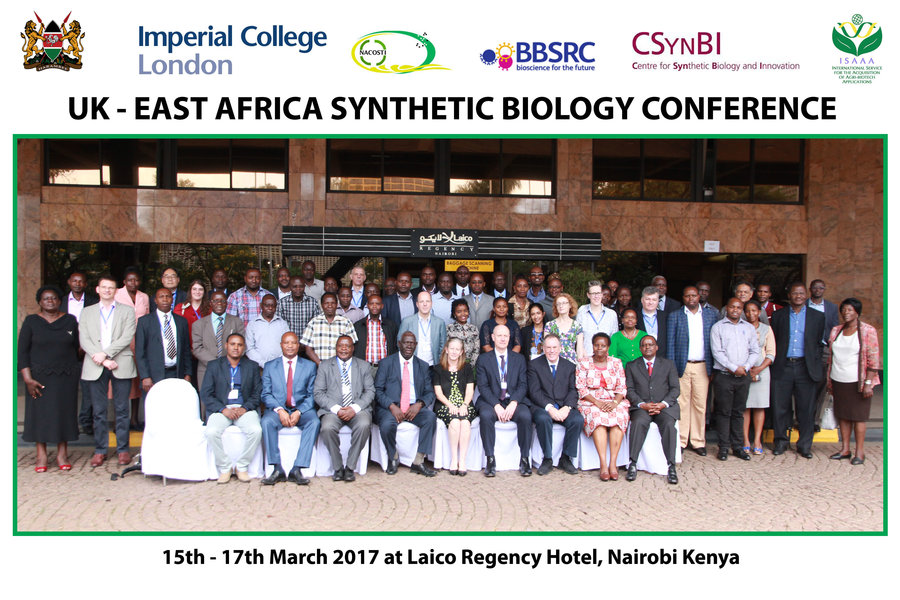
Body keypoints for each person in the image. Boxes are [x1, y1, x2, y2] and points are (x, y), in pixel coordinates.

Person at [18, 285, 80, 472]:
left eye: (54, 298)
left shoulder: (70, 320)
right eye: (46, 298)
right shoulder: (31, 321)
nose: (50, 301)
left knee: (64, 413)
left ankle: (62, 454)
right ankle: (41, 455)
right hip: (38, 378)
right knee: (40, 415)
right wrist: (28, 379)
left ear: (60, 301)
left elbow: (77, 347)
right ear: (39, 302)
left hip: (66, 377)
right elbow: (22, 352)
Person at [79, 274, 137, 467]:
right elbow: (84, 338)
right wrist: (102, 360)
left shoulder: (127, 311)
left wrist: (105, 354)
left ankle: (123, 450)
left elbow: (127, 336)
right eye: (104, 287)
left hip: (120, 363)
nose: (107, 290)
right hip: (95, 364)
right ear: (97, 289)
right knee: (99, 410)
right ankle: (100, 450)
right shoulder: (87, 312)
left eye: (111, 287)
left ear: (116, 291)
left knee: (122, 409)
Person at [770, 282, 825, 458]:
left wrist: (814, 362)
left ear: (806, 295)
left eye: (801, 293)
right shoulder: (778, 315)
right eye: (795, 293)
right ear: (789, 295)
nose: (798, 296)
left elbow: (818, 343)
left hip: (805, 367)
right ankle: (781, 442)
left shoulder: (817, 316)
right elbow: (774, 340)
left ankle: (804, 445)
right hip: (783, 366)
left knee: (806, 409)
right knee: (780, 407)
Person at [374, 332, 438, 476]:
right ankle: (393, 456)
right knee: (386, 425)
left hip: (413, 407)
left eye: (412, 343)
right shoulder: (386, 363)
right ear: (399, 344)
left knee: (430, 418)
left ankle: (418, 461)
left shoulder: (423, 365)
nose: (409, 345)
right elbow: (378, 390)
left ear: (416, 345)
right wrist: (391, 406)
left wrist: (419, 404)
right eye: (406, 342)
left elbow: (429, 392)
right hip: (391, 408)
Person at [201, 333, 262, 484]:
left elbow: (257, 393)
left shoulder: (252, 366)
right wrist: (223, 409)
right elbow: (206, 394)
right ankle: (225, 467)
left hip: (244, 409)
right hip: (222, 409)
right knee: (211, 431)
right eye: (233, 344)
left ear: (244, 347)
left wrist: (245, 408)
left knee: (256, 431)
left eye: (239, 345)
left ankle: (242, 467)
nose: (236, 348)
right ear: (226, 346)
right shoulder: (214, 366)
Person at [260, 332, 320, 486]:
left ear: (298, 345)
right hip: (278, 410)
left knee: (314, 422)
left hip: (301, 409)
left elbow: (312, 394)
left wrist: (299, 411)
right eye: (286, 343)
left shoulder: (309, 366)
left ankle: (297, 468)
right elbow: (266, 394)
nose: (290, 346)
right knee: (266, 422)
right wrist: (280, 410)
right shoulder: (270, 366)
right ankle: (277, 469)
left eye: (293, 343)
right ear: (281, 345)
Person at [826, 298, 880, 465]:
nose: (846, 313)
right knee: (843, 415)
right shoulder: (836, 330)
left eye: (850, 310)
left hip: (858, 382)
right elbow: (831, 356)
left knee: (858, 417)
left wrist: (868, 383)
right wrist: (829, 381)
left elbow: (873, 359)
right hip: (838, 379)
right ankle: (845, 449)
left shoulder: (867, 331)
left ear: (857, 312)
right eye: (844, 310)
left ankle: (860, 452)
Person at [314, 336, 374, 482]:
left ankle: (350, 467)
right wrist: (337, 409)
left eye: (347, 346)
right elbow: (318, 393)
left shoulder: (364, 366)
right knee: (327, 428)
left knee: (364, 424)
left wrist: (354, 408)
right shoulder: (325, 366)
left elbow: (370, 391)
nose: (344, 349)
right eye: (340, 346)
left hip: (357, 409)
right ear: (336, 348)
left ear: (353, 348)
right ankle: (338, 467)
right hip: (333, 410)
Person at [475, 324, 533, 477]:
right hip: (491, 400)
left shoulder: (519, 359)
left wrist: (514, 402)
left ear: (510, 338)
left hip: (513, 400)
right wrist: (496, 405)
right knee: (486, 416)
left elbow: (523, 384)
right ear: (492, 338)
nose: (502, 339)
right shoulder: (483, 359)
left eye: (505, 336)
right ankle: (490, 459)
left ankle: (525, 459)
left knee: (525, 416)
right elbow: (483, 386)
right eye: (499, 335)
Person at [666, 285, 718, 454]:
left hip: (703, 365)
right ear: (683, 298)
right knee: (682, 403)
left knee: (700, 404)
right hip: (682, 365)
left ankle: (698, 441)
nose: (691, 299)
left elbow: (714, 343)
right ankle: (681, 441)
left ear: (699, 296)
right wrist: (672, 368)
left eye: (694, 295)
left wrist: (713, 368)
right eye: (688, 296)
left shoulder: (711, 315)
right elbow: (670, 344)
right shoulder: (675, 316)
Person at [624, 336, 680, 485]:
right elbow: (629, 389)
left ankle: (671, 466)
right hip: (642, 407)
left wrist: (663, 404)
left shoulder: (668, 364)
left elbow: (675, 388)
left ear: (656, 347)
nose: (647, 347)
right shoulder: (631, 366)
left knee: (669, 425)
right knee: (638, 423)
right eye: (644, 345)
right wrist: (642, 404)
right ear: (640, 348)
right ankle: (633, 463)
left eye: (650, 344)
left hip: (664, 407)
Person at [710, 298, 760, 461]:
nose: (735, 310)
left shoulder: (749, 328)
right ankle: (723, 447)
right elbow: (717, 352)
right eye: (732, 307)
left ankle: (738, 447)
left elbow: (755, 350)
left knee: (738, 412)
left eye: (739, 307)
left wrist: (745, 367)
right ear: (727, 308)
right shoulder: (718, 327)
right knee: (723, 412)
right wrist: (733, 367)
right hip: (724, 376)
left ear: (742, 310)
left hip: (743, 376)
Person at [576, 332, 629, 481]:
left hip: (614, 400)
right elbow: (581, 388)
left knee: (618, 419)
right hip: (590, 401)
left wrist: (614, 403)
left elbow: (622, 387)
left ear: (608, 347)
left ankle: (613, 464)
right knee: (598, 420)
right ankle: (603, 464)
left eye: (603, 346)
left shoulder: (616, 363)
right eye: (596, 345)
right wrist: (597, 402)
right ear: (592, 346)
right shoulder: (583, 363)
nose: (599, 348)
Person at [527, 334, 581, 476]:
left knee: (577, 419)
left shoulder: (569, 366)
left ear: (560, 348)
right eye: (548, 347)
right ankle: (547, 459)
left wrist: (567, 407)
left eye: (554, 347)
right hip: (542, 406)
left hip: (563, 405)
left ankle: (566, 458)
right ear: (543, 349)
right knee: (543, 419)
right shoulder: (534, 365)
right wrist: (549, 408)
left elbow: (573, 390)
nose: (551, 351)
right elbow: (534, 391)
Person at [135, 288, 192, 393]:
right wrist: (145, 376)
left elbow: (186, 350)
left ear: (172, 300)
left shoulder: (181, 321)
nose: (165, 299)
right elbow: (140, 352)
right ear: (155, 300)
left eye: (168, 296)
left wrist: (188, 374)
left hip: (177, 373)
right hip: (153, 376)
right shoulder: (144, 322)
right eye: (161, 297)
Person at [433, 337, 476, 475]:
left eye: (457, 349)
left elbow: (470, 391)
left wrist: (464, 405)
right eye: (451, 348)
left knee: (465, 423)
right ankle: (453, 459)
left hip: (464, 404)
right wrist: (450, 405)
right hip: (445, 404)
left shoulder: (467, 368)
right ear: (446, 350)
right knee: (455, 422)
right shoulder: (438, 369)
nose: (454, 352)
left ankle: (462, 460)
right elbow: (438, 393)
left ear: (461, 352)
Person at [191, 291, 244, 402]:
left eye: (222, 301)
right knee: (207, 404)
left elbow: (242, 345)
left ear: (227, 303)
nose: (219, 303)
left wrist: (227, 363)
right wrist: (216, 363)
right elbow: (197, 348)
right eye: (216, 301)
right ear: (211, 303)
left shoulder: (237, 322)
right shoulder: (199, 324)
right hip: (206, 369)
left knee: (230, 403)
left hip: (231, 370)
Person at [62, 271, 98, 435]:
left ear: (85, 284)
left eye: (81, 281)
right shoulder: (60, 301)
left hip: (87, 351)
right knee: (65, 389)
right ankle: (66, 421)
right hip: (65, 351)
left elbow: (96, 326)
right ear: (69, 282)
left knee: (88, 389)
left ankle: (86, 422)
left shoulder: (93, 302)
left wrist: (85, 345)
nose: (77, 284)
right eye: (74, 281)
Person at [114, 266, 150, 430]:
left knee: (137, 381)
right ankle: (119, 420)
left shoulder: (144, 297)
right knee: (121, 381)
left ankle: (134, 418)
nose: (133, 283)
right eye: (129, 280)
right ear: (124, 282)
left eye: (136, 280)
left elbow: (147, 319)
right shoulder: (116, 294)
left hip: (140, 342)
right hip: (122, 342)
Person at [743, 300, 775, 455]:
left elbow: (771, 353)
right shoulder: (741, 327)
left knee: (759, 406)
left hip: (762, 371)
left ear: (759, 312)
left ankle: (757, 440)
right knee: (745, 406)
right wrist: (748, 369)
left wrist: (758, 369)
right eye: (748, 311)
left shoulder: (766, 329)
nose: (751, 314)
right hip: (744, 371)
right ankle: (745, 440)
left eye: (754, 310)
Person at [299, 293, 357, 365]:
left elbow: (352, 345)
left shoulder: (346, 322)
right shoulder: (313, 322)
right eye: (326, 303)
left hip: (341, 366)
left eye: (333, 303)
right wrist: (320, 364)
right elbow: (308, 349)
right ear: (322, 305)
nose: (330, 306)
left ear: (337, 304)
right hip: (319, 366)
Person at [174, 279, 209, 388]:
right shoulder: (180, 308)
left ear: (204, 292)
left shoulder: (209, 309)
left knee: (203, 384)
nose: (197, 292)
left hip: (204, 352)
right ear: (190, 291)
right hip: (186, 352)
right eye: (194, 289)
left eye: (200, 289)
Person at [397, 291, 446, 367]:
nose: (425, 304)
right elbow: (400, 344)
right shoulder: (407, 321)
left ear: (431, 303)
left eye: (427, 301)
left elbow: (442, 346)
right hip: (413, 365)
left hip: (433, 366)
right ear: (417, 304)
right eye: (421, 301)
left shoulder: (440, 322)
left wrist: (438, 363)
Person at [353, 294, 398, 375]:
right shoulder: (358, 325)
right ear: (367, 306)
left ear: (382, 306)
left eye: (377, 304)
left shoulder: (390, 325)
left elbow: (394, 347)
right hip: (364, 367)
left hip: (384, 368)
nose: (374, 306)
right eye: (371, 303)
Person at [245, 294, 290, 368]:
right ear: (261, 305)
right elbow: (249, 348)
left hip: (279, 366)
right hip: (258, 367)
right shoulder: (252, 324)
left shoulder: (283, 324)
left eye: (273, 306)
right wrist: (263, 363)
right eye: (267, 305)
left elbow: (288, 345)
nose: (270, 308)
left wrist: (278, 362)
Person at [545, 292, 584, 363]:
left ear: (570, 305)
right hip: (554, 362)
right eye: (558, 304)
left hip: (571, 363)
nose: (561, 306)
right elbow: (546, 347)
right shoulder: (549, 325)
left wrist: (580, 363)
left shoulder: (577, 326)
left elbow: (580, 349)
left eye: (564, 303)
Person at [635, 286, 668, 357]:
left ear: (658, 301)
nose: (650, 302)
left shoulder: (665, 317)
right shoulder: (635, 316)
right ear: (642, 300)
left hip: (661, 358)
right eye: (647, 299)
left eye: (654, 299)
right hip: (640, 358)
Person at [446, 298, 480, 364]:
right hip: (454, 364)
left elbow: (476, 349)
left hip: (471, 364)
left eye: (465, 311)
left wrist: (471, 365)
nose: (463, 314)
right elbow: (447, 349)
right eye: (459, 312)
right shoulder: (449, 329)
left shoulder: (474, 328)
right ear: (454, 314)